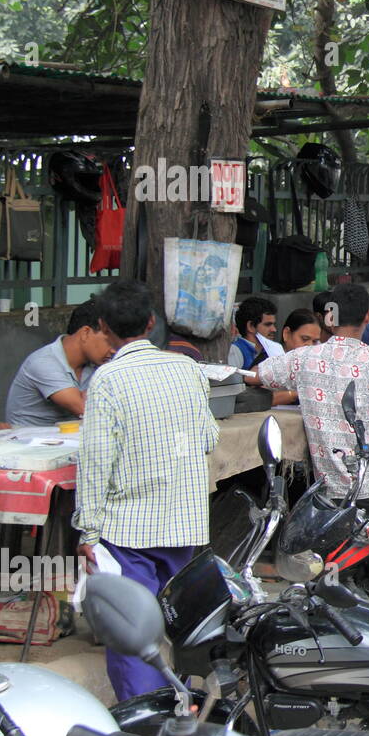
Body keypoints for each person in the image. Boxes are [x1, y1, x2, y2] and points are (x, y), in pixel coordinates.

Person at [73, 280, 219, 700]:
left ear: (103, 326)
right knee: (184, 622)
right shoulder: (188, 369)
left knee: (132, 630)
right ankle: (188, 705)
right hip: (184, 526)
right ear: (152, 322)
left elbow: (97, 462)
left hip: (129, 531)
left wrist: (88, 531)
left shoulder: (107, 380)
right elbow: (208, 438)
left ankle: (145, 718)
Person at [252, 284, 369, 515]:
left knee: (338, 552)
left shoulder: (303, 358)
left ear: (330, 318)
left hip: (332, 492)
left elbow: (255, 375)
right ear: (367, 317)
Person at [5, 298, 113, 426]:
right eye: (110, 341)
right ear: (85, 333)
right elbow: (90, 410)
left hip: (70, 439)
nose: (114, 349)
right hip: (29, 442)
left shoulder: (96, 363)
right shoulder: (43, 362)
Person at [228, 296, 277, 368]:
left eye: (273, 324)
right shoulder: (236, 351)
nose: (274, 329)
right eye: (268, 324)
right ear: (251, 326)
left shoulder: (270, 351)